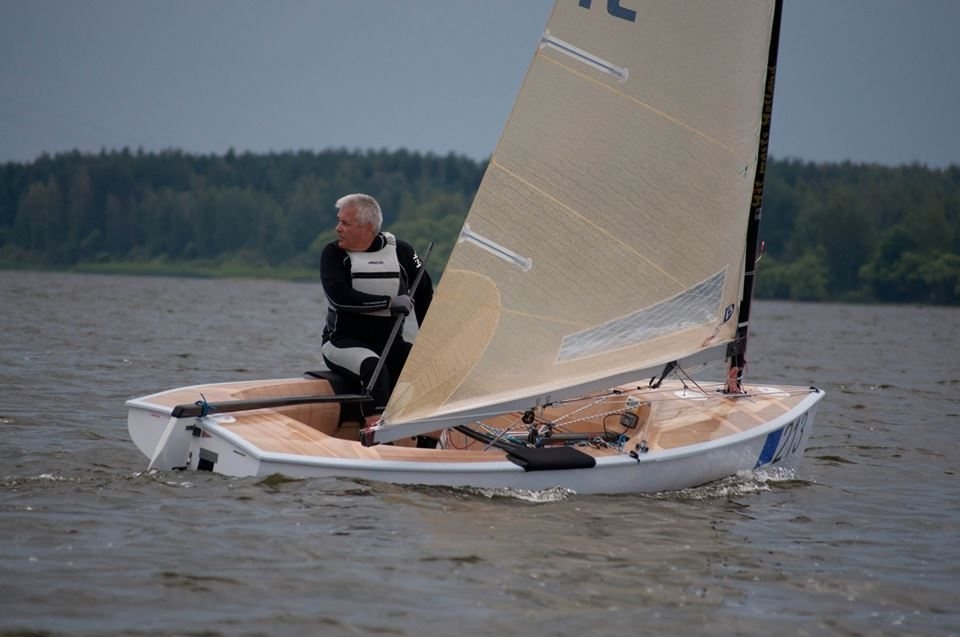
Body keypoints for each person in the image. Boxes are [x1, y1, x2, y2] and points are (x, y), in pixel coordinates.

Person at [320, 193, 433, 424]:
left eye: (345, 223)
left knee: (425, 368)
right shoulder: (333, 254)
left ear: (367, 227)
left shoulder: (405, 252)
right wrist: (389, 302)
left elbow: (424, 293)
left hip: (390, 344)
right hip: (341, 343)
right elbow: (340, 297)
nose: (337, 228)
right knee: (375, 368)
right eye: (339, 221)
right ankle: (375, 431)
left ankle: (428, 434)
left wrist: (432, 343)